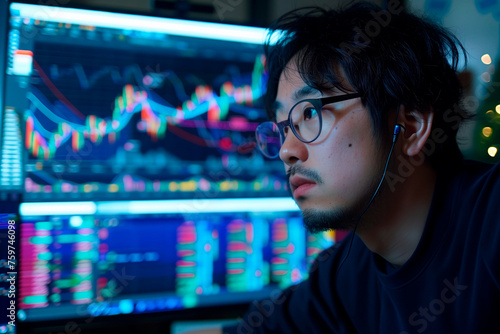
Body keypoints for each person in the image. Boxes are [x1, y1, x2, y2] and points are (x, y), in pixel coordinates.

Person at [190, 1, 500, 333]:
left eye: (309, 113)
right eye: (282, 127)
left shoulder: (491, 219)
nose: (286, 151)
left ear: (410, 126)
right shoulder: (344, 275)